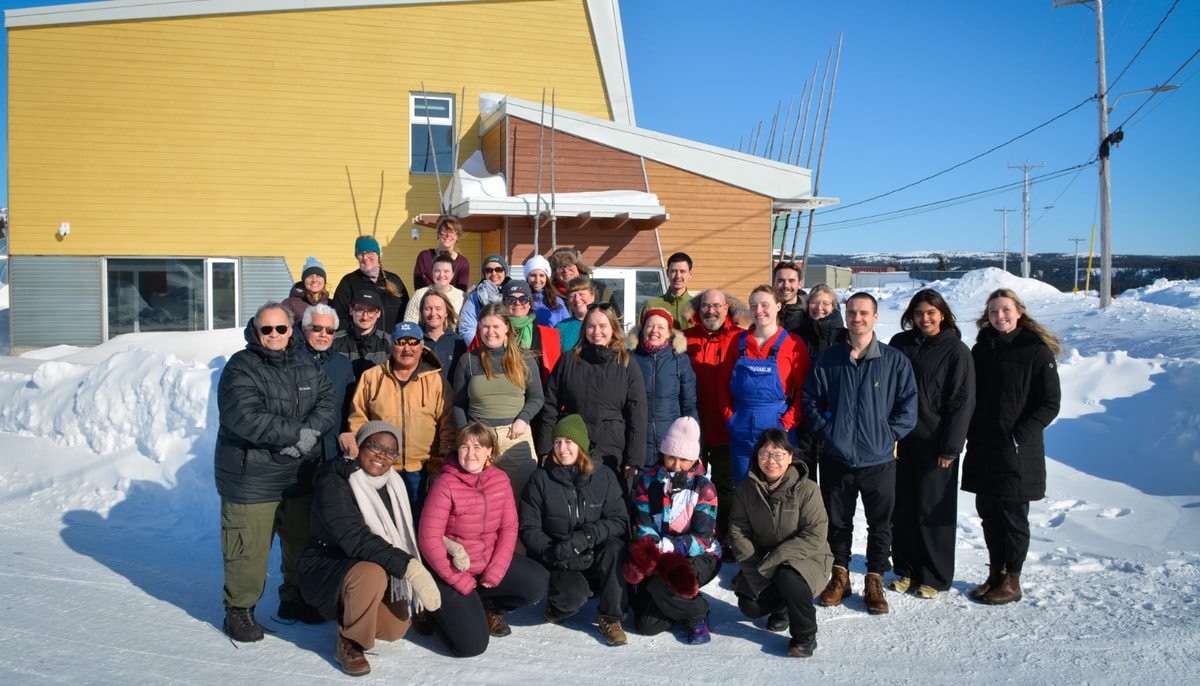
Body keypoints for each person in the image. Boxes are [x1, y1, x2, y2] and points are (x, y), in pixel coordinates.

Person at [214, 302, 337, 641]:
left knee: (300, 541)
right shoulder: (240, 367)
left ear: (290, 329)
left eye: (280, 328)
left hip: (297, 473)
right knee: (248, 548)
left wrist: (309, 434)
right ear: (256, 331)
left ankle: (295, 597)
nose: (274, 335)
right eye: (266, 329)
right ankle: (239, 609)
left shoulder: (305, 363)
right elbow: (244, 415)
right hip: (252, 477)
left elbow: (327, 401)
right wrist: (297, 435)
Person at [801, 292, 917, 616]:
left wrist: (887, 435)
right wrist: (828, 432)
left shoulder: (893, 361)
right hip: (837, 458)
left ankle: (874, 578)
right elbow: (810, 400)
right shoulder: (830, 359)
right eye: (852, 312)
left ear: (875, 317)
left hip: (879, 459)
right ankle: (839, 575)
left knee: (880, 524)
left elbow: (908, 406)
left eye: (864, 312)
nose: (857, 318)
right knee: (838, 522)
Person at [298, 421, 442, 677]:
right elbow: (354, 538)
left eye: (390, 452)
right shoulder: (335, 480)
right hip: (326, 567)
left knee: (395, 628)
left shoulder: (393, 484)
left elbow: (402, 534)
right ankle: (350, 642)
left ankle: (352, 613)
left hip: (365, 571)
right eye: (375, 446)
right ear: (359, 446)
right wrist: (409, 567)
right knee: (371, 573)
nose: (382, 456)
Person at [962, 288, 1062, 606]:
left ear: (1019, 312)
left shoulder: (1036, 352)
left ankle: (1013, 580)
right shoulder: (982, 350)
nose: (999, 316)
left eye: (1005, 310)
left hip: (1017, 452)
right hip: (984, 447)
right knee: (989, 514)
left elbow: (1049, 403)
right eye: (993, 311)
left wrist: (1019, 435)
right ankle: (996, 574)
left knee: (1013, 518)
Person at [419, 422, 550, 656]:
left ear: (490, 450)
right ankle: (435, 613)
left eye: (477, 447)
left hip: (485, 562)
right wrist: (460, 581)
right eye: (464, 446)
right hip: (453, 570)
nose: (470, 453)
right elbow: (429, 539)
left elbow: (509, 527)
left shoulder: (499, 479)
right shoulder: (444, 484)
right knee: (472, 647)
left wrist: (496, 570)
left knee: (537, 583)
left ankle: (487, 603)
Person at [887, 289, 976, 599]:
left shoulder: (956, 351)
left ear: (943, 314)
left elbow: (962, 403)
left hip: (936, 444)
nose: (924, 319)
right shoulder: (901, 344)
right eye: (918, 313)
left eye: (930, 313)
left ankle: (934, 575)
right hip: (902, 441)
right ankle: (906, 569)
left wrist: (951, 448)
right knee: (903, 508)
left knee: (932, 511)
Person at [519, 415, 630, 646]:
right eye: (557, 442)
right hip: (561, 557)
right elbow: (529, 527)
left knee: (615, 548)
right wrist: (555, 552)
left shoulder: (604, 476)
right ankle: (557, 606)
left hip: (594, 551)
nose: (562, 449)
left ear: (581, 444)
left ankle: (611, 618)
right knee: (570, 599)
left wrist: (588, 536)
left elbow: (619, 520)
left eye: (568, 442)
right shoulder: (541, 479)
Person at [727, 429, 831, 658]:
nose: (771, 461)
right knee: (750, 604)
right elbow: (738, 533)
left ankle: (805, 635)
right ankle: (783, 608)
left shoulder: (807, 489)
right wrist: (756, 573)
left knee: (787, 576)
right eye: (764, 454)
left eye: (778, 455)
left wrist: (772, 562)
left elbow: (815, 535)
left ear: (790, 457)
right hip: (764, 560)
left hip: (808, 557)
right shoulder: (745, 490)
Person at [342, 321, 454, 520]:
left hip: (421, 470)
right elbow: (358, 419)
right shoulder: (371, 378)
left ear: (421, 345)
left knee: (423, 525)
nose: (407, 348)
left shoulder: (436, 381)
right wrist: (366, 457)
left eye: (413, 342)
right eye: (401, 342)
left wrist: (441, 464)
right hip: (381, 467)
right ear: (392, 345)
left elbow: (449, 424)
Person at [623, 417, 721, 644]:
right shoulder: (648, 482)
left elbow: (703, 538)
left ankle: (697, 613)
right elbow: (643, 523)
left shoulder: (703, 487)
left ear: (693, 459)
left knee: (660, 584)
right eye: (671, 457)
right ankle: (680, 603)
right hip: (659, 553)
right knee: (647, 624)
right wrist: (654, 549)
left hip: (699, 556)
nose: (676, 465)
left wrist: (669, 547)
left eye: (683, 459)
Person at [538, 303, 647, 489]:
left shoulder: (627, 364)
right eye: (591, 326)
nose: (597, 332)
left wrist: (634, 458)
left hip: (612, 451)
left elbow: (637, 414)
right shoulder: (568, 360)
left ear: (613, 328)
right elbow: (550, 405)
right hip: (572, 448)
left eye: (603, 326)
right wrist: (546, 449)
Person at [718, 285, 811, 487]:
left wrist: (785, 424)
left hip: (777, 428)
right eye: (753, 305)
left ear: (778, 306)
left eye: (764, 305)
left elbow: (804, 391)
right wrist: (730, 418)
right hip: (741, 429)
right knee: (745, 489)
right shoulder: (738, 342)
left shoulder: (793, 344)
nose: (758, 310)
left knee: (780, 490)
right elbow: (723, 384)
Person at [452, 303, 544, 502]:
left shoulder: (524, 359)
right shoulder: (468, 361)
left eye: (496, 326)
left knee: (522, 501)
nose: (490, 332)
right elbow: (458, 403)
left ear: (507, 328)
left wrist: (523, 419)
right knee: (480, 502)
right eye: (485, 326)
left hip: (515, 438)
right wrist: (465, 434)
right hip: (479, 440)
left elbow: (537, 397)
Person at [683, 288, 750, 542]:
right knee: (690, 485)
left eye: (716, 306)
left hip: (726, 428)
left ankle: (726, 536)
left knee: (726, 487)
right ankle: (691, 535)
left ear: (726, 308)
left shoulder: (740, 338)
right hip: (693, 428)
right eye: (705, 306)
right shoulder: (685, 338)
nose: (710, 311)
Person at [792, 283, 848, 481]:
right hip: (803, 413)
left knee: (833, 477)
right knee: (804, 474)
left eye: (825, 303)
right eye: (814, 302)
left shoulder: (843, 337)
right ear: (807, 305)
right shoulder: (796, 335)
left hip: (834, 415)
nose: (819, 307)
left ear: (833, 306)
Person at [632, 307, 698, 472]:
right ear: (642, 329)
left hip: (671, 451)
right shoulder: (630, 359)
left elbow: (689, 405)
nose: (654, 331)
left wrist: (692, 444)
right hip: (638, 447)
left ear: (669, 333)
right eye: (649, 325)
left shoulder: (679, 361)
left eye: (661, 327)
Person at [298, 304, 355, 462]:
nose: (323, 334)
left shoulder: (343, 364)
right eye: (317, 328)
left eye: (330, 330)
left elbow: (349, 407)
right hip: (299, 452)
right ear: (304, 329)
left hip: (332, 450)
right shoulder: (290, 362)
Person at [332, 235, 410, 335]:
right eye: (360, 254)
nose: (365, 257)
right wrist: (354, 337)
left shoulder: (394, 280)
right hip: (360, 342)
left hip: (393, 341)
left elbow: (407, 312)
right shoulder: (349, 282)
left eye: (369, 252)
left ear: (377, 254)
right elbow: (338, 316)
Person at [501, 280, 562, 385]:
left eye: (523, 299)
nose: (517, 303)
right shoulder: (494, 331)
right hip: (503, 388)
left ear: (530, 303)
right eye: (511, 299)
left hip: (536, 389)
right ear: (504, 303)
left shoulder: (547, 335)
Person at [333, 289, 392, 380]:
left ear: (379, 313)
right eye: (360, 310)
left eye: (371, 311)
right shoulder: (335, 341)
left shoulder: (388, 342)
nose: (365, 317)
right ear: (351, 310)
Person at [548, 247, 620, 319]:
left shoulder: (601, 291)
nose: (565, 270)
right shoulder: (548, 294)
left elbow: (616, 320)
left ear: (579, 266)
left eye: (570, 265)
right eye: (560, 267)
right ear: (554, 272)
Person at [459, 254, 510, 345]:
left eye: (498, 269)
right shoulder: (476, 296)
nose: (494, 273)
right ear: (484, 273)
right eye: (489, 270)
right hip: (482, 345)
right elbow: (467, 327)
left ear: (505, 272)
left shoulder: (513, 294)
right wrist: (480, 348)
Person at [416, 289, 466, 380]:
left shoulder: (458, 343)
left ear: (446, 312)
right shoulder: (414, 342)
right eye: (428, 309)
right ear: (422, 312)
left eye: (438, 308)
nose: (433, 313)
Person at [412, 215, 470, 291]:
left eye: (452, 232)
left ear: (457, 237)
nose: (448, 235)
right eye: (444, 231)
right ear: (438, 234)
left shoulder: (463, 263)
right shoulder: (424, 257)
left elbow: (462, 291)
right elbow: (419, 287)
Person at [639, 252, 696, 330]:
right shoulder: (652, 306)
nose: (678, 276)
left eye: (682, 271)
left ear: (690, 274)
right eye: (673, 271)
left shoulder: (698, 307)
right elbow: (640, 335)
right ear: (667, 273)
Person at [404, 252, 464, 324]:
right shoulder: (419, 295)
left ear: (453, 274)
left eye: (446, 271)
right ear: (432, 272)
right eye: (437, 271)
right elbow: (409, 325)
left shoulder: (462, 297)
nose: (441, 275)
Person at [525, 254, 570, 327]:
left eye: (541, 275)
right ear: (527, 277)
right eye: (533, 275)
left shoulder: (557, 301)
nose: (537, 280)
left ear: (547, 278)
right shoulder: (521, 300)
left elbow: (567, 327)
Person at [283, 257, 331, 325]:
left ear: (324, 281)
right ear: (304, 281)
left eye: (318, 276)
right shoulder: (289, 304)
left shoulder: (331, 304)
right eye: (310, 276)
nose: (314, 280)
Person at [554, 275, 596, 351]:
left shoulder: (604, 324)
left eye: (581, 294)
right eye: (572, 296)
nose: (577, 299)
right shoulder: (560, 328)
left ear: (592, 296)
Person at [773, 261, 808, 332]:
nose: (786, 285)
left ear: (799, 284)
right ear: (774, 284)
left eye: (791, 281)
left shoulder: (809, 314)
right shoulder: (765, 313)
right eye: (781, 281)